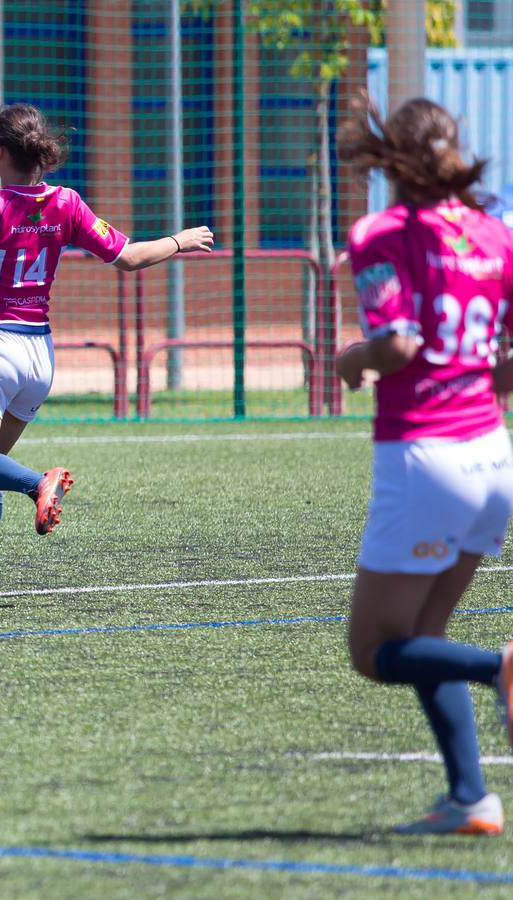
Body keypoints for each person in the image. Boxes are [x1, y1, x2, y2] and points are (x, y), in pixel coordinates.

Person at [0, 103, 214, 596]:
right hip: (39, 356)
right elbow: (126, 256)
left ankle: (38, 482)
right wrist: (178, 240)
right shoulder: (66, 203)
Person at [335, 95, 513, 835]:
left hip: (425, 454)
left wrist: (352, 359)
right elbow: (506, 369)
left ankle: (496, 667)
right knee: (426, 626)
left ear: (392, 160)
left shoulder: (380, 232)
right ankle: (470, 797)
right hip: (492, 457)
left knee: (374, 651)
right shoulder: (495, 235)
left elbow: (400, 344)